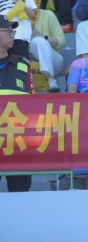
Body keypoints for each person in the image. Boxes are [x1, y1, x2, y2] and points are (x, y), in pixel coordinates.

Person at [0, 16, 33, 192]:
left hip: (17, 140)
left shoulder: (23, 64)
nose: (13, 34)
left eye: (13, 30)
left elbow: (33, 102)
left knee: (20, 193)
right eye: (8, 30)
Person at [30, 9, 65, 93]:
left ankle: (50, 79)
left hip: (54, 61)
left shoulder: (48, 15)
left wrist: (41, 35)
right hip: (30, 62)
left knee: (38, 40)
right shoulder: (16, 17)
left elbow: (61, 42)